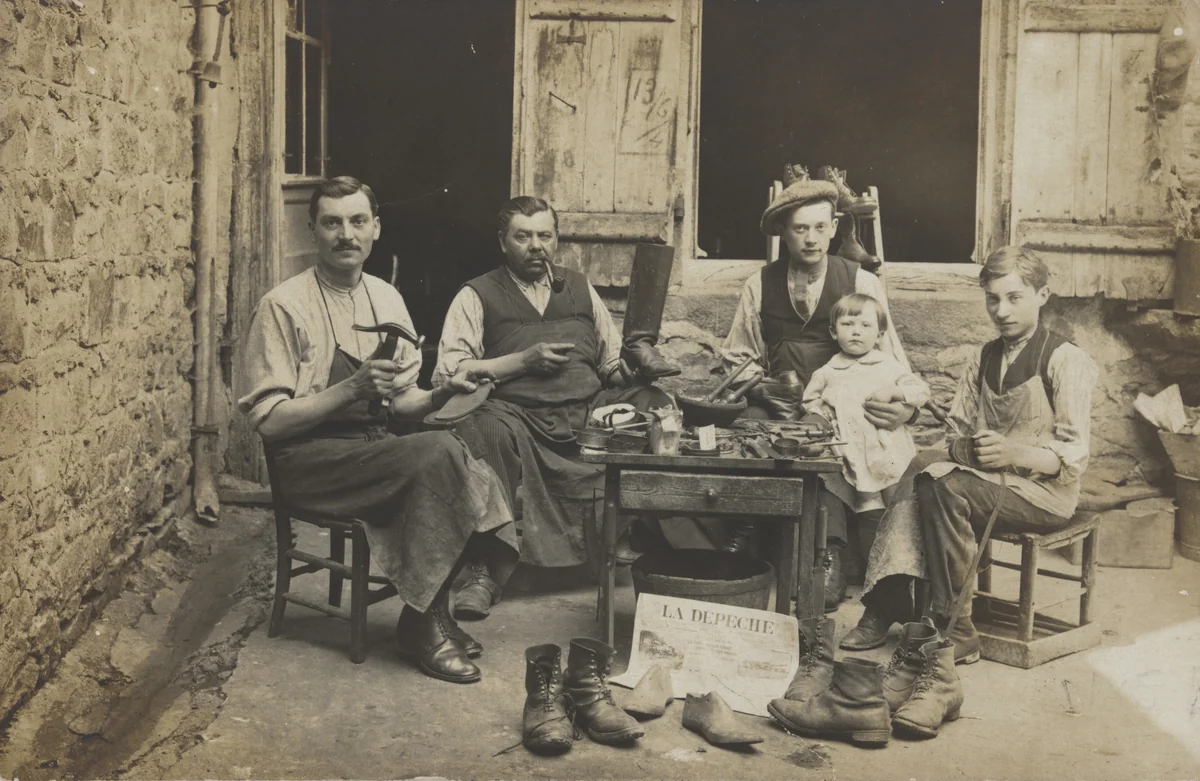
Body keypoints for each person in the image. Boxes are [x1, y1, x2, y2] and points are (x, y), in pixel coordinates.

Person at [237, 176, 518, 685]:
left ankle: (428, 614)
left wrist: (445, 390)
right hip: (309, 461)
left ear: (376, 229)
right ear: (313, 231)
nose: (346, 235)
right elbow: (269, 421)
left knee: (458, 447)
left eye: (358, 222)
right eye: (332, 223)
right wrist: (351, 389)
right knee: (435, 455)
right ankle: (422, 622)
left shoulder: (386, 297)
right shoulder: (283, 305)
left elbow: (404, 402)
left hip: (372, 452)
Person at [841, 246, 1098, 661]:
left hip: (1043, 493)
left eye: (1014, 298)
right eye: (992, 299)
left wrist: (1016, 451)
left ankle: (955, 627)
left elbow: (1072, 457)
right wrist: (935, 424)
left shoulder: (1066, 360)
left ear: (1043, 295)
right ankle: (888, 601)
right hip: (989, 480)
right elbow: (957, 429)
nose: (1002, 310)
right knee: (921, 464)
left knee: (944, 487)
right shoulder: (984, 356)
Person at [434, 196, 674, 620]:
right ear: (502, 242)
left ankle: (637, 536)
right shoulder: (478, 294)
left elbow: (611, 365)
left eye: (544, 235)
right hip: (517, 416)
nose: (535, 246)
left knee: (656, 406)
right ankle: (485, 568)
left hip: (587, 413)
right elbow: (449, 373)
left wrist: (640, 369)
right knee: (482, 429)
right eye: (522, 236)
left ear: (557, 239)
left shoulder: (579, 287)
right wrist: (521, 362)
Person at [719, 168, 917, 611]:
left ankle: (828, 558)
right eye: (799, 229)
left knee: (837, 447)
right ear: (784, 234)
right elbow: (739, 355)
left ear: (833, 229)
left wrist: (907, 408)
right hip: (780, 401)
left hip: (842, 402)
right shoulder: (759, 285)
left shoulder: (861, 282)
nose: (811, 238)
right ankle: (758, 548)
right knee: (748, 441)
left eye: (820, 228)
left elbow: (891, 353)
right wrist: (763, 387)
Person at [803, 293, 931, 515]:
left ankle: (897, 545)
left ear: (880, 335)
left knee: (899, 502)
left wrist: (894, 391)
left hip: (889, 448)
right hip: (853, 448)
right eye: (847, 324)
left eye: (865, 325)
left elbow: (921, 391)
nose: (856, 331)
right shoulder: (827, 372)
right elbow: (810, 401)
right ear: (834, 332)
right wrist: (824, 413)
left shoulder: (888, 366)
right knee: (865, 500)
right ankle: (869, 546)